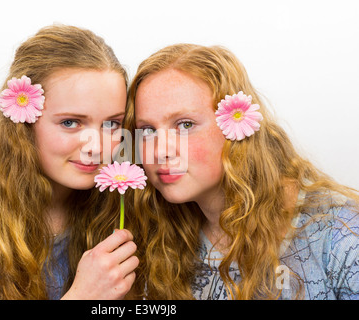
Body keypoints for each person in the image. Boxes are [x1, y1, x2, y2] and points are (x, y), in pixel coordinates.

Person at [0, 24, 139, 300]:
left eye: (112, 124)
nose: (97, 146)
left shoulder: (118, 201)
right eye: (70, 122)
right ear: (23, 122)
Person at [123, 44, 359, 299]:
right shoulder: (160, 236)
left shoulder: (339, 235)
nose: (160, 151)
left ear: (236, 125)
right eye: (147, 130)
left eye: (185, 125)